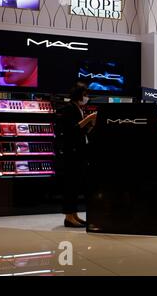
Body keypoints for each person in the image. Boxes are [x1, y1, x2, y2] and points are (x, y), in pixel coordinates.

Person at [59, 82, 97, 228]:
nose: (86, 98)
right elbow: (72, 130)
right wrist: (88, 119)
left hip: (79, 152)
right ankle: (69, 217)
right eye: (85, 95)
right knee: (70, 185)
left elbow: (80, 132)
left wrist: (91, 126)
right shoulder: (69, 108)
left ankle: (73, 215)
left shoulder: (78, 108)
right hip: (72, 154)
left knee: (75, 185)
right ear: (79, 95)